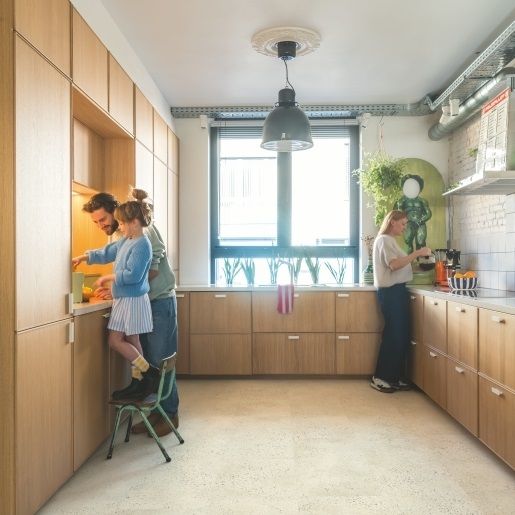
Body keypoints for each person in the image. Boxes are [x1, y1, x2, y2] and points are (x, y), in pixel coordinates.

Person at [82, 190, 180, 436]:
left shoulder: (142, 230)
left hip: (159, 300)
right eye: (96, 222)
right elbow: (112, 254)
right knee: (144, 356)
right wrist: (87, 258)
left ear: (116, 213)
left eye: (103, 219)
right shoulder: (123, 235)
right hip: (141, 301)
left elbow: (150, 270)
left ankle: (169, 415)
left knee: (159, 360)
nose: (101, 225)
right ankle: (154, 412)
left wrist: (117, 288)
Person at [72, 197, 159, 400]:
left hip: (133, 300)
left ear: (134, 222)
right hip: (124, 299)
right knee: (125, 340)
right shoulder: (127, 240)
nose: (119, 227)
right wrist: (84, 257)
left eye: (122, 223)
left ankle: (148, 374)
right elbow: (107, 252)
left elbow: (133, 276)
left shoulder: (142, 245)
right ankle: (141, 380)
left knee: (120, 340)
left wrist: (109, 277)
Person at [370, 210, 431, 393]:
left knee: (401, 335)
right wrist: (417, 253)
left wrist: (420, 265)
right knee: (394, 335)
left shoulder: (390, 241)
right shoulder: (384, 240)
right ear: (392, 222)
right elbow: (394, 265)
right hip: (391, 293)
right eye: (403, 223)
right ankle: (381, 378)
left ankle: (394, 377)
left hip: (397, 292)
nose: (405, 228)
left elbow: (401, 265)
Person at [395, 174, 432, 253]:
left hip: (420, 223)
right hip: (408, 223)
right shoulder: (401, 201)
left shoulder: (422, 201)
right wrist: (405, 219)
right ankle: (409, 260)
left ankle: (421, 259)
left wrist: (421, 220)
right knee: (408, 242)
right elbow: (397, 213)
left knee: (421, 242)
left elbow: (428, 213)